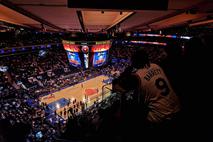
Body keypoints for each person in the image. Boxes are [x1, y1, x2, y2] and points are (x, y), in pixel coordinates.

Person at [113, 48, 181, 141]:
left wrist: (126, 71)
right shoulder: (156, 66)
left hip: (161, 116)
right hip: (177, 108)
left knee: (133, 117)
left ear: (134, 62)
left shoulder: (137, 76)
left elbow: (117, 88)